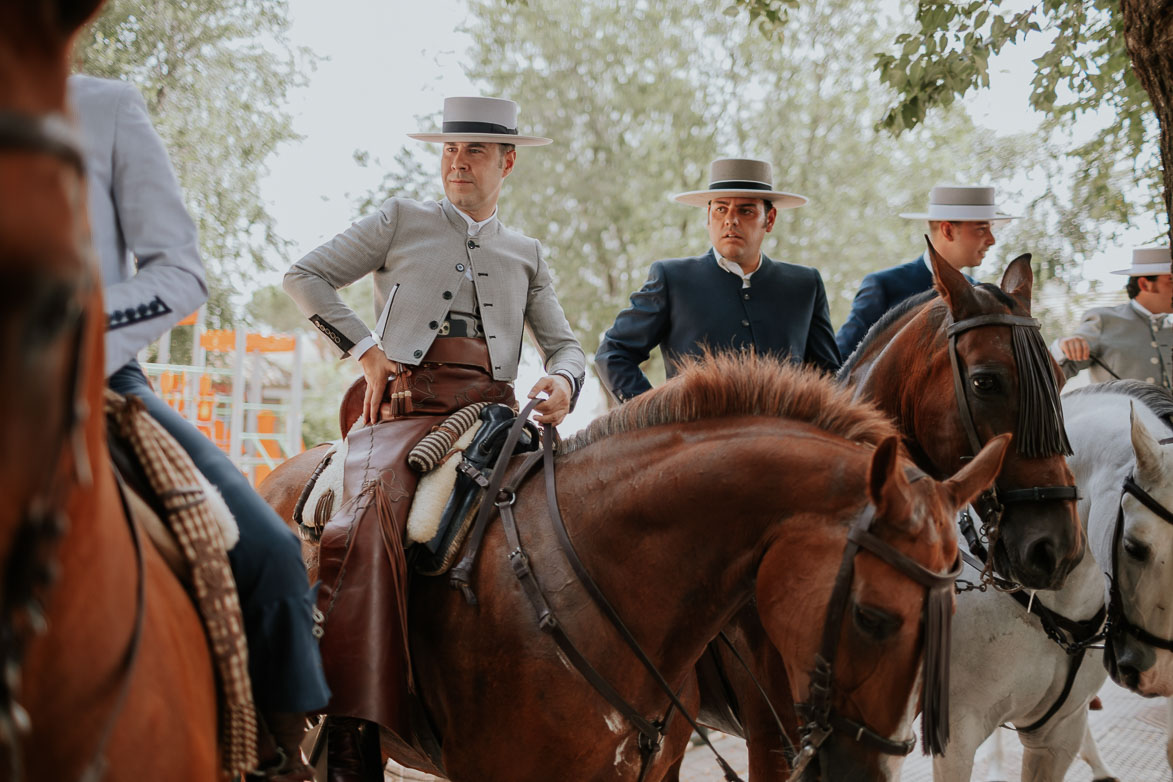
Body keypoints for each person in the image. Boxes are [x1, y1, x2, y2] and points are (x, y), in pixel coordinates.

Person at [283, 95, 586, 781]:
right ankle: (353, 732)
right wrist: (362, 347)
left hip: (494, 414)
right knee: (371, 519)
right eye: (450, 150)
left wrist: (565, 383)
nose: (458, 162)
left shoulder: (526, 253)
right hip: (407, 411)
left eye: (474, 151)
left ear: (506, 162)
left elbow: (565, 345)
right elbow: (304, 275)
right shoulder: (400, 219)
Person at [68, 74, 330, 780]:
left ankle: (277, 754)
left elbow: (178, 273)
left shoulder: (105, 108)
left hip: (95, 375)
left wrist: (71, 323)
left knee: (270, 549)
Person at [594, 157, 839, 402]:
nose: (731, 219)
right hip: (695, 438)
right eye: (721, 209)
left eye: (746, 211)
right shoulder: (673, 279)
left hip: (784, 437)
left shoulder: (805, 285)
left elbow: (828, 377)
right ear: (708, 217)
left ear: (770, 219)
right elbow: (614, 352)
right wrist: (653, 415)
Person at [835, 184, 1016, 358]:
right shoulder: (884, 286)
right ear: (947, 231)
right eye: (982, 229)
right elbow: (839, 360)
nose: (992, 240)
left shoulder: (980, 293)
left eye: (990, 229)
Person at [1051, 246, 1173, 388]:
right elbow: (1052, 373)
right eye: (1171, 280)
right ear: (1145, 284)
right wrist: (1061, 347)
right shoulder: (1104, 321)